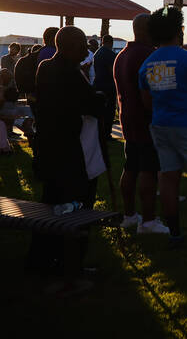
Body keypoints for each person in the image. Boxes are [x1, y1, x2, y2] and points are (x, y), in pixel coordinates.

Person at [29, 25, 107, 294]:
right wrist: (98, 95)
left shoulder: (46, 67)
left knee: (50, 204)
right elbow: (93, 105)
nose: (87, 50)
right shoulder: (69, 73)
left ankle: (42, 259)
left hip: (50, 150)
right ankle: (70, 265)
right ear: (72, 46)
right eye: (83, 45)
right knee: (75, 208)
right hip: (72, 153)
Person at [138, 6, 187, 252]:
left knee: (168, 179)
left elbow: (146, 102)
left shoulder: (147, 64)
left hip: (161, 125)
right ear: (179, 31)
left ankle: (175, 235)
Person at [113, 14, 170, 235]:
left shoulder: (122, 54)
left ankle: (129, 215)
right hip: (148, 120)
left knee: (131, 166)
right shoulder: (150, 55)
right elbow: (158, 93)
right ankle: (148, 221)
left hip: (128, 119)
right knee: (149, 170)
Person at [92, 34, 118, 155]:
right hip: (108, 85)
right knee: (109, 111)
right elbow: (112, 70)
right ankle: (107, 134)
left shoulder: (97, 52)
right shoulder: (109, 54)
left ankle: (100, 133)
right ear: (111, 42)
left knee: (101, 112)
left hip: (98, 84)